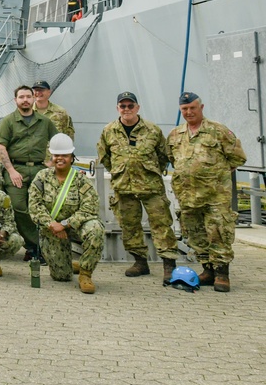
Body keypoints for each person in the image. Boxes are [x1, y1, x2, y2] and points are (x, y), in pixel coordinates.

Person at [167, 92, 246, 292]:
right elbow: (173, 158)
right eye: (185, 109)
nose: (189, 112)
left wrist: (216, 175)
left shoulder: (218, 131)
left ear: (201, 108)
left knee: (219, 232)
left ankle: (222, 274)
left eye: (193, 108)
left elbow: (237, 157)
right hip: (188, 197)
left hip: (215, 196)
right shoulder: (175, 134)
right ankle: (207, 270)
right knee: (195, 234)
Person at [96, 91, 178, 281]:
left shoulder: (152, 130)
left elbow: (163, 156)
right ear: (117, 108)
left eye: (130, 106)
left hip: (151, 187)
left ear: (137, 108)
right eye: (123, 106)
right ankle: (140, 262)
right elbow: (105, 156)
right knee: (129, 226)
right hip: (123, 187)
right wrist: (121, 170)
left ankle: (169, 264)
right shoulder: (109, 131)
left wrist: (147, 171)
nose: (126, 109)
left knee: (161, 225)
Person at [29, 133, 105, 294]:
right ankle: (69, 265)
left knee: (95, 229)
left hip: (75, 226)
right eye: (56, 155)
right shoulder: (42, 177)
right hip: (52, 230)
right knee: (61, 276)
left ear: (71, 157)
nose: (60, 158)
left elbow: (90, 207)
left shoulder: (80, 180)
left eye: (64, 155)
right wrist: (52, 224)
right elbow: (35, 206)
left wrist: (65, 224)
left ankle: (85, 273)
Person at [0, 84, 59, 261]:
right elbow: (0, 146)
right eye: (21, 97)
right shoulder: (8, 121)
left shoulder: (44, 122)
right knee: (18, 207)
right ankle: (35, 246)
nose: (25, 100)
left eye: (28, 97)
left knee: (44, 207)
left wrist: (51, 163)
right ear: (15, 100)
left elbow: (58, 142)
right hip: (17, 170)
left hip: (40, 170)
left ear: (33, 99)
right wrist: (11, 171)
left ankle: (39, 248)